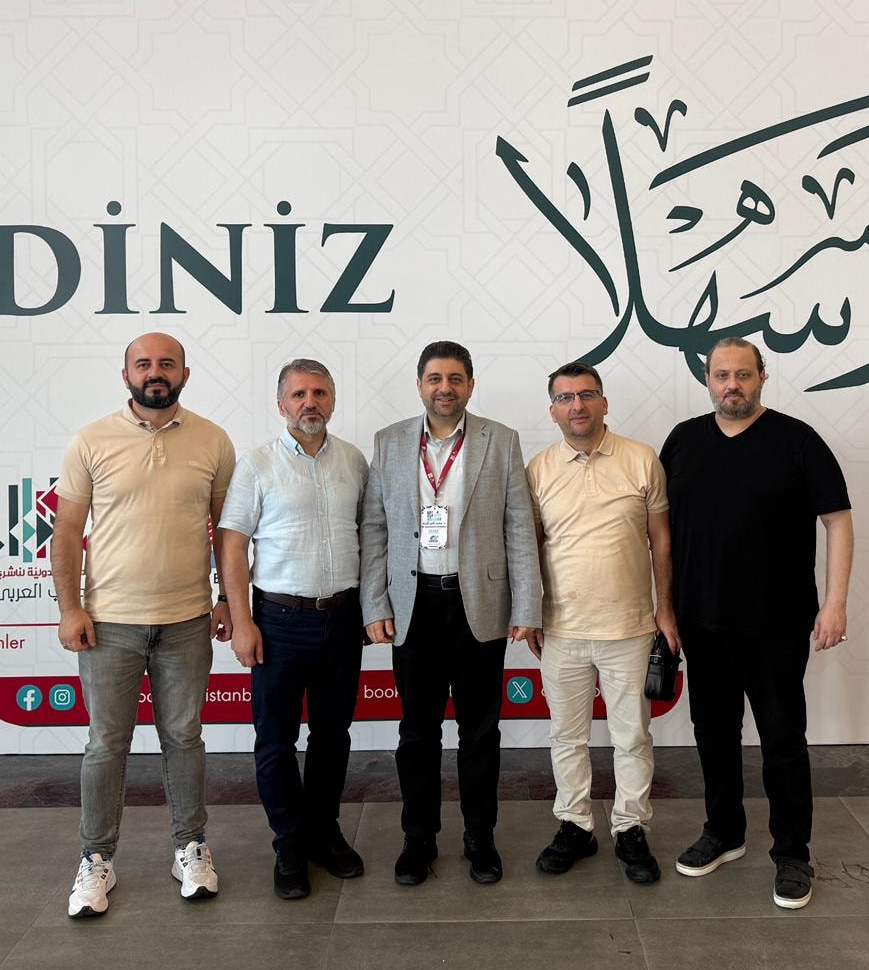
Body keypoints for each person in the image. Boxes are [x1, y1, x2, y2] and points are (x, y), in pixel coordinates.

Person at [659, 337, 853, 910]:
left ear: (762, 377)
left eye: (743, 374)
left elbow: (838, 521)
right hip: (701, 621)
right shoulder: (683, 441)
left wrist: (836, 602)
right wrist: (663, 607)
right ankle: (724, 832)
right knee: (713, 734)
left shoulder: (798, 440)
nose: (732, 385)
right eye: (722, 375)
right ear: (707, 380)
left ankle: (792, 853)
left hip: (777, 624)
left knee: (782, 741)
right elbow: (660, 532)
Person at [52, 333, 237, 919]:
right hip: (109, 624)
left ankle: (190, 847)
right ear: (126, 374)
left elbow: (227, 533)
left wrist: (228, 601)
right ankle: (96, 858)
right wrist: (70, 608)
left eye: (166, 363)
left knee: (184, 739)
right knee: (106, 745)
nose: (155, 372)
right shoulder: (91, 440)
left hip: (187, 620)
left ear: (185, 373)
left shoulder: (213, 440)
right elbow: (66, 531)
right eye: (144, 364)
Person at [360, 340, 542, 886]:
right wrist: (375, 602)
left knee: (480, 732)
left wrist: (527, 603)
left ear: (470, 385)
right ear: (420, 385)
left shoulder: (500, 440)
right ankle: (418, 839)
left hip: (478, 604)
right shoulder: (390, 441)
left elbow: (519, 527)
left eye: (455, 379)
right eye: (435, 379)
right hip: (413, 605)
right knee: (417, 733)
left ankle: (480, 838)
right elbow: (375, 528)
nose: (445, 388)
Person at [218, 358, 369, 901]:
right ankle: (288, 841)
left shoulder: (353, 460)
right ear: (281, 404)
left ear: (333, 400)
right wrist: (241, 621)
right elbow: (232, 544)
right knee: (276, 740)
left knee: (333, 735)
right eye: (299, 394)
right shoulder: (257, 464)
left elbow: (369, 534)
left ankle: (324, 831)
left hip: (342, 618)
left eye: (320, 393)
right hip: (278, 621)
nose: (310, 402)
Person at [525, 362, 677, 884]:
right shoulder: (538, 469)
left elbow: (661, 541)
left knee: (631, 737)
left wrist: (665, 608)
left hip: (630, 628)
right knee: (566, 737)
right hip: (561, 629)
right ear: (552, 411)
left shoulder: (641, 459)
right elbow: (528, 549)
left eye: (587, 394)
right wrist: (529, 613)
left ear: (604, 403)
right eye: (565, 398)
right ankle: (575, 826)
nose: (577, 405)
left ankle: (630, 828)